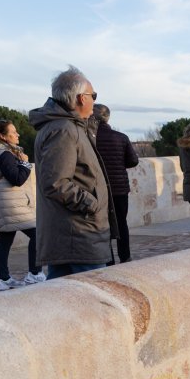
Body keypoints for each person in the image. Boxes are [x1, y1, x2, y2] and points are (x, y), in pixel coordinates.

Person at [30, 65, 112, 280]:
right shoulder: (63, 130)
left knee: (63, 302)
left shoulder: (67, 127)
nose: (94, 101)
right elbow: (56, 183)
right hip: (79, 233)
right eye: (92, 95)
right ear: (80, 98)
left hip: (73, 233)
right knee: (93, 300)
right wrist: (90, 204)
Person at [0, 119, 44, 289]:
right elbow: (17, 179)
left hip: (2, 203)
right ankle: (34, 274)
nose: (18, 134)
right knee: (39, 234)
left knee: (4, 241)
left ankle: (3, 279)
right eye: (13, 132)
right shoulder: (4, 154)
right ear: (2, 136)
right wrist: (25, 163)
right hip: (12, 204)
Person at [92, 104, 139, 264]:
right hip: (120, 188)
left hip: (98, 189)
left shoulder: (89, 139)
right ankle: (125, 256)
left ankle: (109, 260)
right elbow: (133, 160)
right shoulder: (121, 137)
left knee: (102, 225)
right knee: (121, 223)